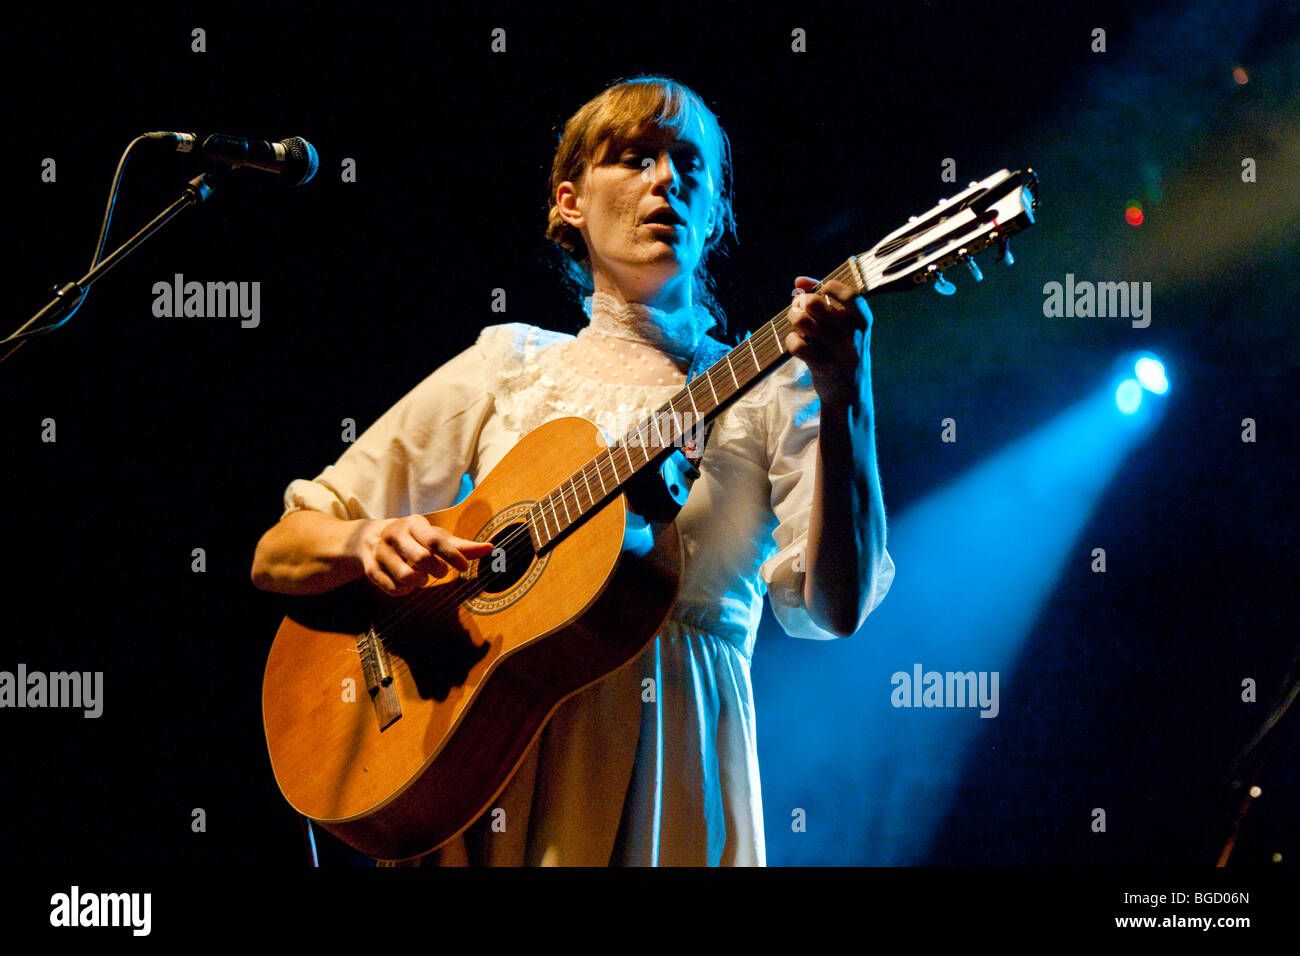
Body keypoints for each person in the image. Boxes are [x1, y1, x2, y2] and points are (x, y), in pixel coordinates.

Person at [250, 75, 894, 866]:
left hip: (673, 764)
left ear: (714, 212)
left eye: (689, 165)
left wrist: (847, 394)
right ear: (570, 203)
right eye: (633, 158)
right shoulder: (509, 363)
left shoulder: (773, 386)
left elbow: (835, 607)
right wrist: (370, 543)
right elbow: (279, 552)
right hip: (476, 755)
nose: (666, 180)